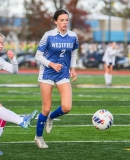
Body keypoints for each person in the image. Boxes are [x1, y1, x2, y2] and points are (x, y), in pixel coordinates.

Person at [34, 9, 79, 148]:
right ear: (55, 21)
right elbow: (38, 55)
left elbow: (74, 53)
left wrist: (73, 69)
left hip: (63, 74)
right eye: (62, 20)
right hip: (47, 73)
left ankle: (51, 118)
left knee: (67, 107)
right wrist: (51, 64)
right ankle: (39, 137)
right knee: (46, 108)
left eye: (67, 20)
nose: (65, 22)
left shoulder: (73, 36)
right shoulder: (48, 36)